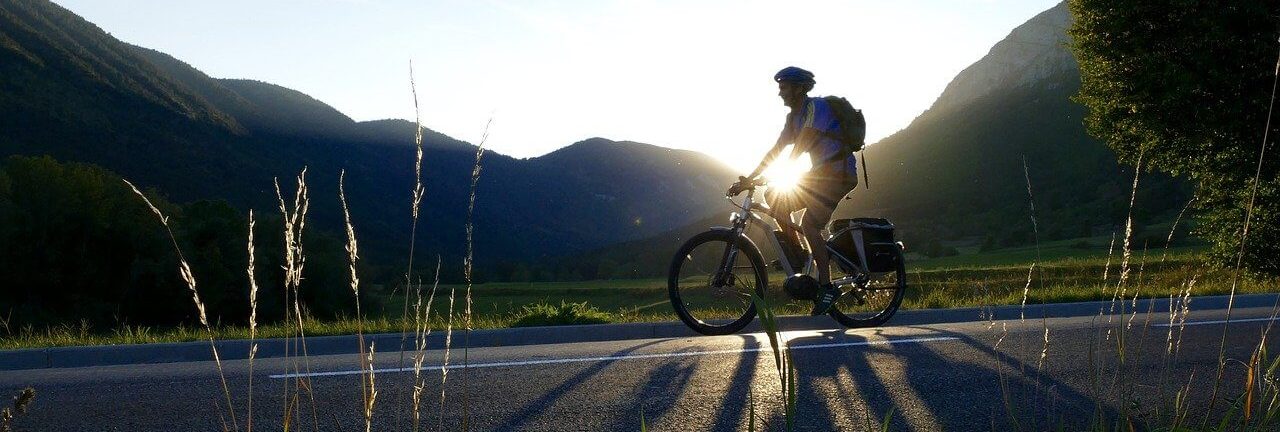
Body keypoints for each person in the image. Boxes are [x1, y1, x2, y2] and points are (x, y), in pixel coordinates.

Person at [727, 66, 859, 315]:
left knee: (810, 225)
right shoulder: (792, 118)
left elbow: (801, 145)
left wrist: (777, 173)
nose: (780, 93)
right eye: (780, 88)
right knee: (774, 198)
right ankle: (798, 255)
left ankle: (827, 287)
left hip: (838, 174)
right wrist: (750, 178)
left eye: (784, 87)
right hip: (822, 175)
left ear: (799, 88)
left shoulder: (815, 108)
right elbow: (776, 150)